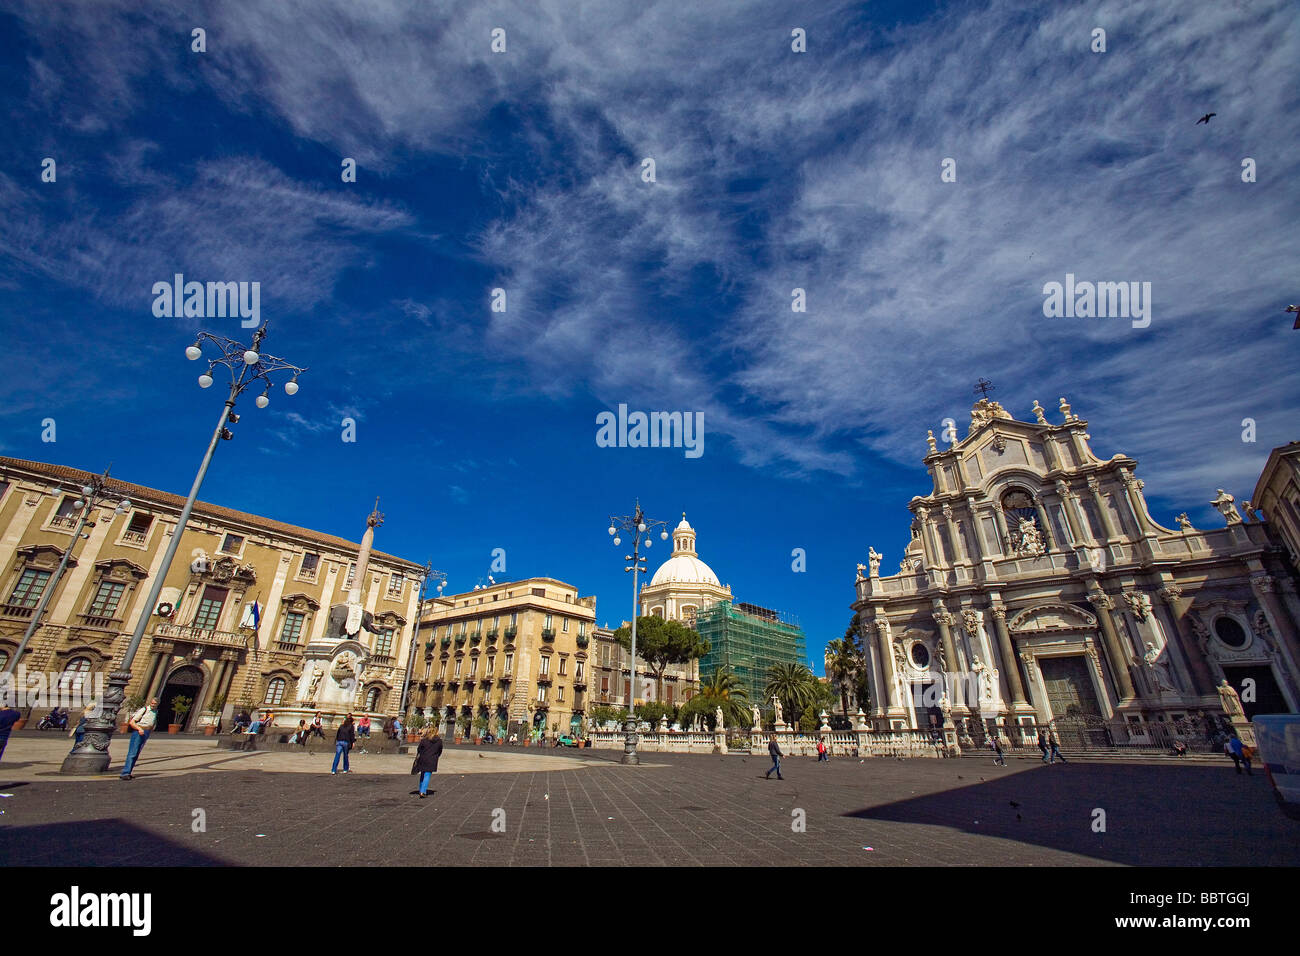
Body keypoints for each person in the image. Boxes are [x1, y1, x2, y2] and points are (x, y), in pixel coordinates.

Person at [119, 698, 159, 780]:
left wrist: (151, 729)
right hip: (139, 731)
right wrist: (139, 729)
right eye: (152, 703)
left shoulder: (155, 711)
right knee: (133, 752)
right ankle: (125, 772)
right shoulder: (143, 710)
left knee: (137, 753)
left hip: (146, 732)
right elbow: (132, 722)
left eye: (155, 704)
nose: (153, 705)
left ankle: (129, 772)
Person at [410, 727, 443, 798]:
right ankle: (423, 791)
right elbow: (440, 750)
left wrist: (422, 753)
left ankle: (421, 789)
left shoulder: (424, 740)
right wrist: (436, 756)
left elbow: (419, 749)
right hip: (432, 759)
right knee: (427, 775)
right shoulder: (439, 741)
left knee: (423, 774)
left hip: (423, 758)